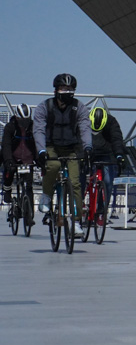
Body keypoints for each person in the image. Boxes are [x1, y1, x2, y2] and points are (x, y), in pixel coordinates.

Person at [32, 74, 91, 236]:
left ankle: (77, 220)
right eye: (64, 89)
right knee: (53, 165)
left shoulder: (79, 107)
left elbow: (85, 128)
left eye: (71, 89)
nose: (68, 92)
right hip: (51, 147)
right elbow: (38, 129)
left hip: (71, 148)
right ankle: (46, 195)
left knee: (75, 182)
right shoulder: (45, 107)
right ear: (56, 90)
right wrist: (41, 150)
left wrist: (88, 148)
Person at [87, 106, 127, 200]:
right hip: (90, 151)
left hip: (106, 153)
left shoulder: (111, 122)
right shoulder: (84, 121)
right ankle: (79, 202)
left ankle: (103, 205)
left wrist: (119, 155)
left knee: (108, 181)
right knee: (80, 177)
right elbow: (79, 139)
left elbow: (116, 139)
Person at [2, 104, 37, 204]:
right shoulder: (10, 127)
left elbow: (37, 143)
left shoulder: (33, 127)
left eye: (27, 120)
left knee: (28, 186)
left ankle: (29, 215)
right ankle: (7, 189)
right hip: (13, 157)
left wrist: (39, 158)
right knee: (10, 169)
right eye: (22, 120)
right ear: (17, 117)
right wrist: (8, 159)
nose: (25, 123)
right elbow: (6, 145)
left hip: (28, 159)